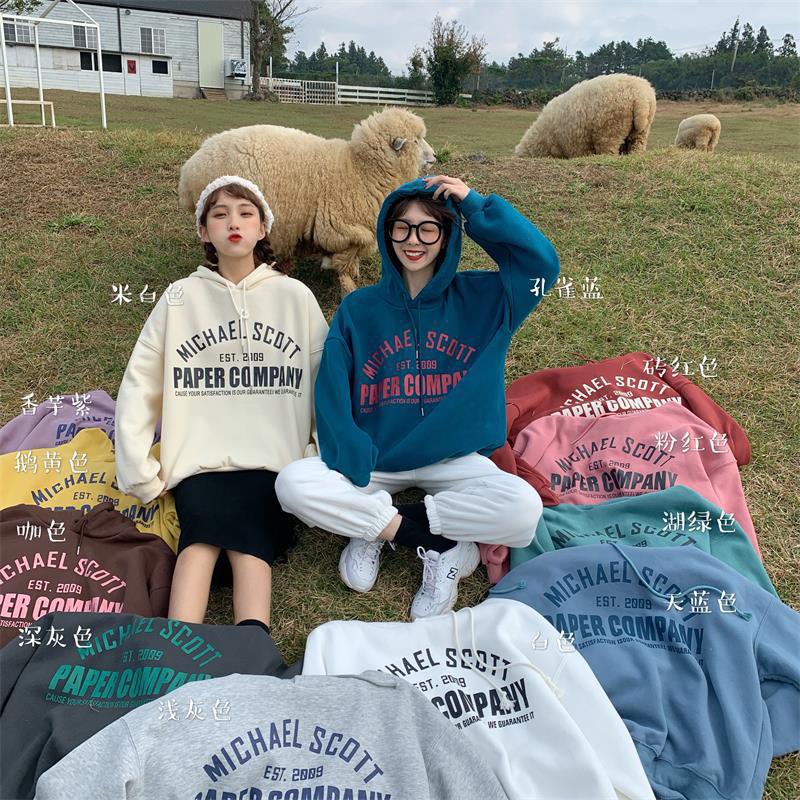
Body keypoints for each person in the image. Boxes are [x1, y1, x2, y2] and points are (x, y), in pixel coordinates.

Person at [276, 174, 560, 619]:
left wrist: (474, 206)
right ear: (386, 232)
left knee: (524, 509)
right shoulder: (359, 308)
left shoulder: (488, 298)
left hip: (454, 460)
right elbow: (331, 389)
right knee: (292, 484)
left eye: (428, 228)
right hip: (377, 460)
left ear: (446, 235)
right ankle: (429, 539)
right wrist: (351, 453)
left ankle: (375, 520)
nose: (413, 240)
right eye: (402, 227)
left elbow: (541, 265)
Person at [115, 175, 328, 628]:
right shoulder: (179, 298)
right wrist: (139, 471)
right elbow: (140, 382)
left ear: (263, 228)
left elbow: (324, 383)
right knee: (199, 539)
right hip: (199, 459)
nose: (234, 223)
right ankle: (177, 643)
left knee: (250, 540)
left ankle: (251, 644)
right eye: (220, 214)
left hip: (273, 460)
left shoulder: (295, 297)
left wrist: (316, 454)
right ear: (203, 231)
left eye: (246, 213)